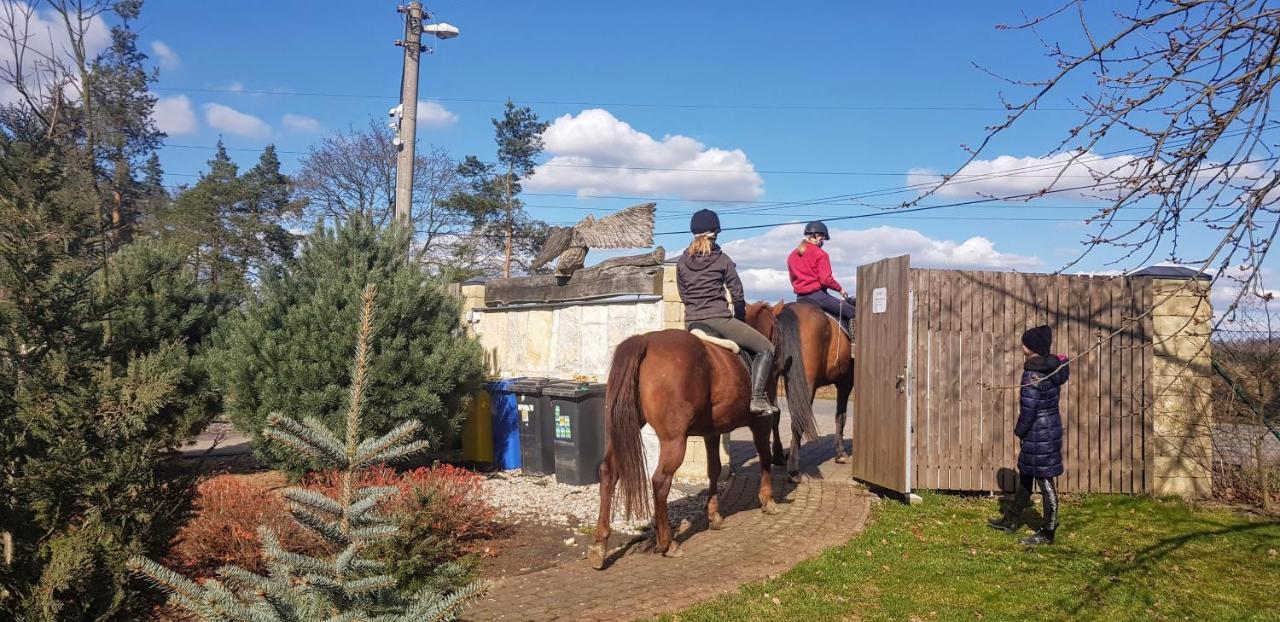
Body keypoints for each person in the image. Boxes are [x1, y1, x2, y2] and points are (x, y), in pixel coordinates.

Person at [677, 209, 779, 417]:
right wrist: (739, 318)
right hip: (719, 320)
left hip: (692, 323)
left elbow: (684, 294)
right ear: (715, 233)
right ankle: (758, 398)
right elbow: (738, 294)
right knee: (766, 348)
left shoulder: (681, 262)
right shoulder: (722, 259)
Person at [988, 325, 1069, 545]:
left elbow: (1029, 408)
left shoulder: (1033, 373)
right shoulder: (1051, 367)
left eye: (1024, 342)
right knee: (1025, 474)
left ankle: (1048, 532)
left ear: (1031, 348)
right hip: (1048, 427)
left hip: (1038, 431)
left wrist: (1020, 431)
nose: (1021, 345)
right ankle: (1012, 520)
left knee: (1045, 481)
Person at [787, 221, 855, 336]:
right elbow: (826, 279)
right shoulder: (820, 254)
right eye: (823, 238)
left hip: (800, 299)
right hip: (818, 297)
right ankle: (855, 345)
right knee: (852, 312)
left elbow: (792, 279)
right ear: (818, 236)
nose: (823, 241)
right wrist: (840, 289)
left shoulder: (792, 256)